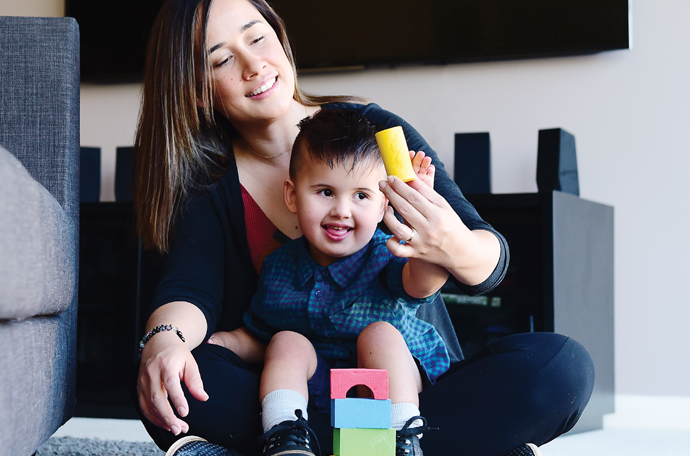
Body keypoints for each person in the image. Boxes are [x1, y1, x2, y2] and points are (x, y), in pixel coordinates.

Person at [133, 0, 595, 455]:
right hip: (291, 389)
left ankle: (327, 444)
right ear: (195, 88)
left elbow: (486, 260)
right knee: (174, 382)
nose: (254, 65)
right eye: (223, 59)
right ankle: (416, 448)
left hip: (407, 393)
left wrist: (446, 243)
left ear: (280, 37)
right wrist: (163, 347)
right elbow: (190, 291)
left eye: (258, 38)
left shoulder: (374, 134)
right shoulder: (209, 182)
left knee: (561, 370)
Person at [210, 109, 450, 456]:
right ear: (292, 196)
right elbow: (259, 335)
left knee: (379, 334)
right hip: (323, 392)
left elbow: (423, 284)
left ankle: (402, 440)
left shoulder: (387, 254)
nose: (341, 210)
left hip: (392, 390)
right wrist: (224, 341)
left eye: (361, 196)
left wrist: (421, 219)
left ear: (384, 204)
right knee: (286, 340)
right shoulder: (279, 266)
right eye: (325, 192)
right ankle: (287, 435)